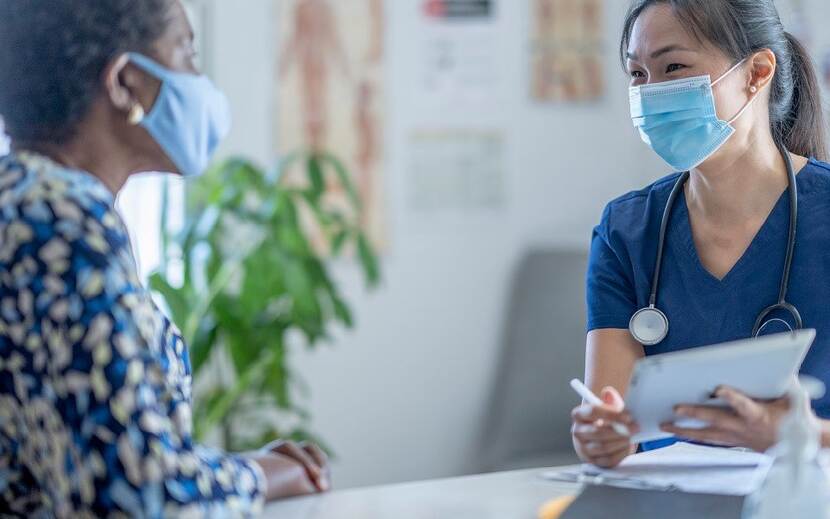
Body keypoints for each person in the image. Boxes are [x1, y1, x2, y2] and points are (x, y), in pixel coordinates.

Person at [0, 1, 330, 516]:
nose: (199, 82)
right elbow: (136, 496)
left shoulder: (24, 201)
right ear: (125, 82)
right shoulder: (63, 222)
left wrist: (208, 470)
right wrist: (264, 475)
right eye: (186, 54)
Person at [572, 0, 830, 468]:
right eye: (638, 75)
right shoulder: (626, 232)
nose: (652, 93)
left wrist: (801, 433)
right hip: (664, 501)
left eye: (674, 67)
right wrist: (601, 439)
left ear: (756, 72)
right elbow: (612, 421)